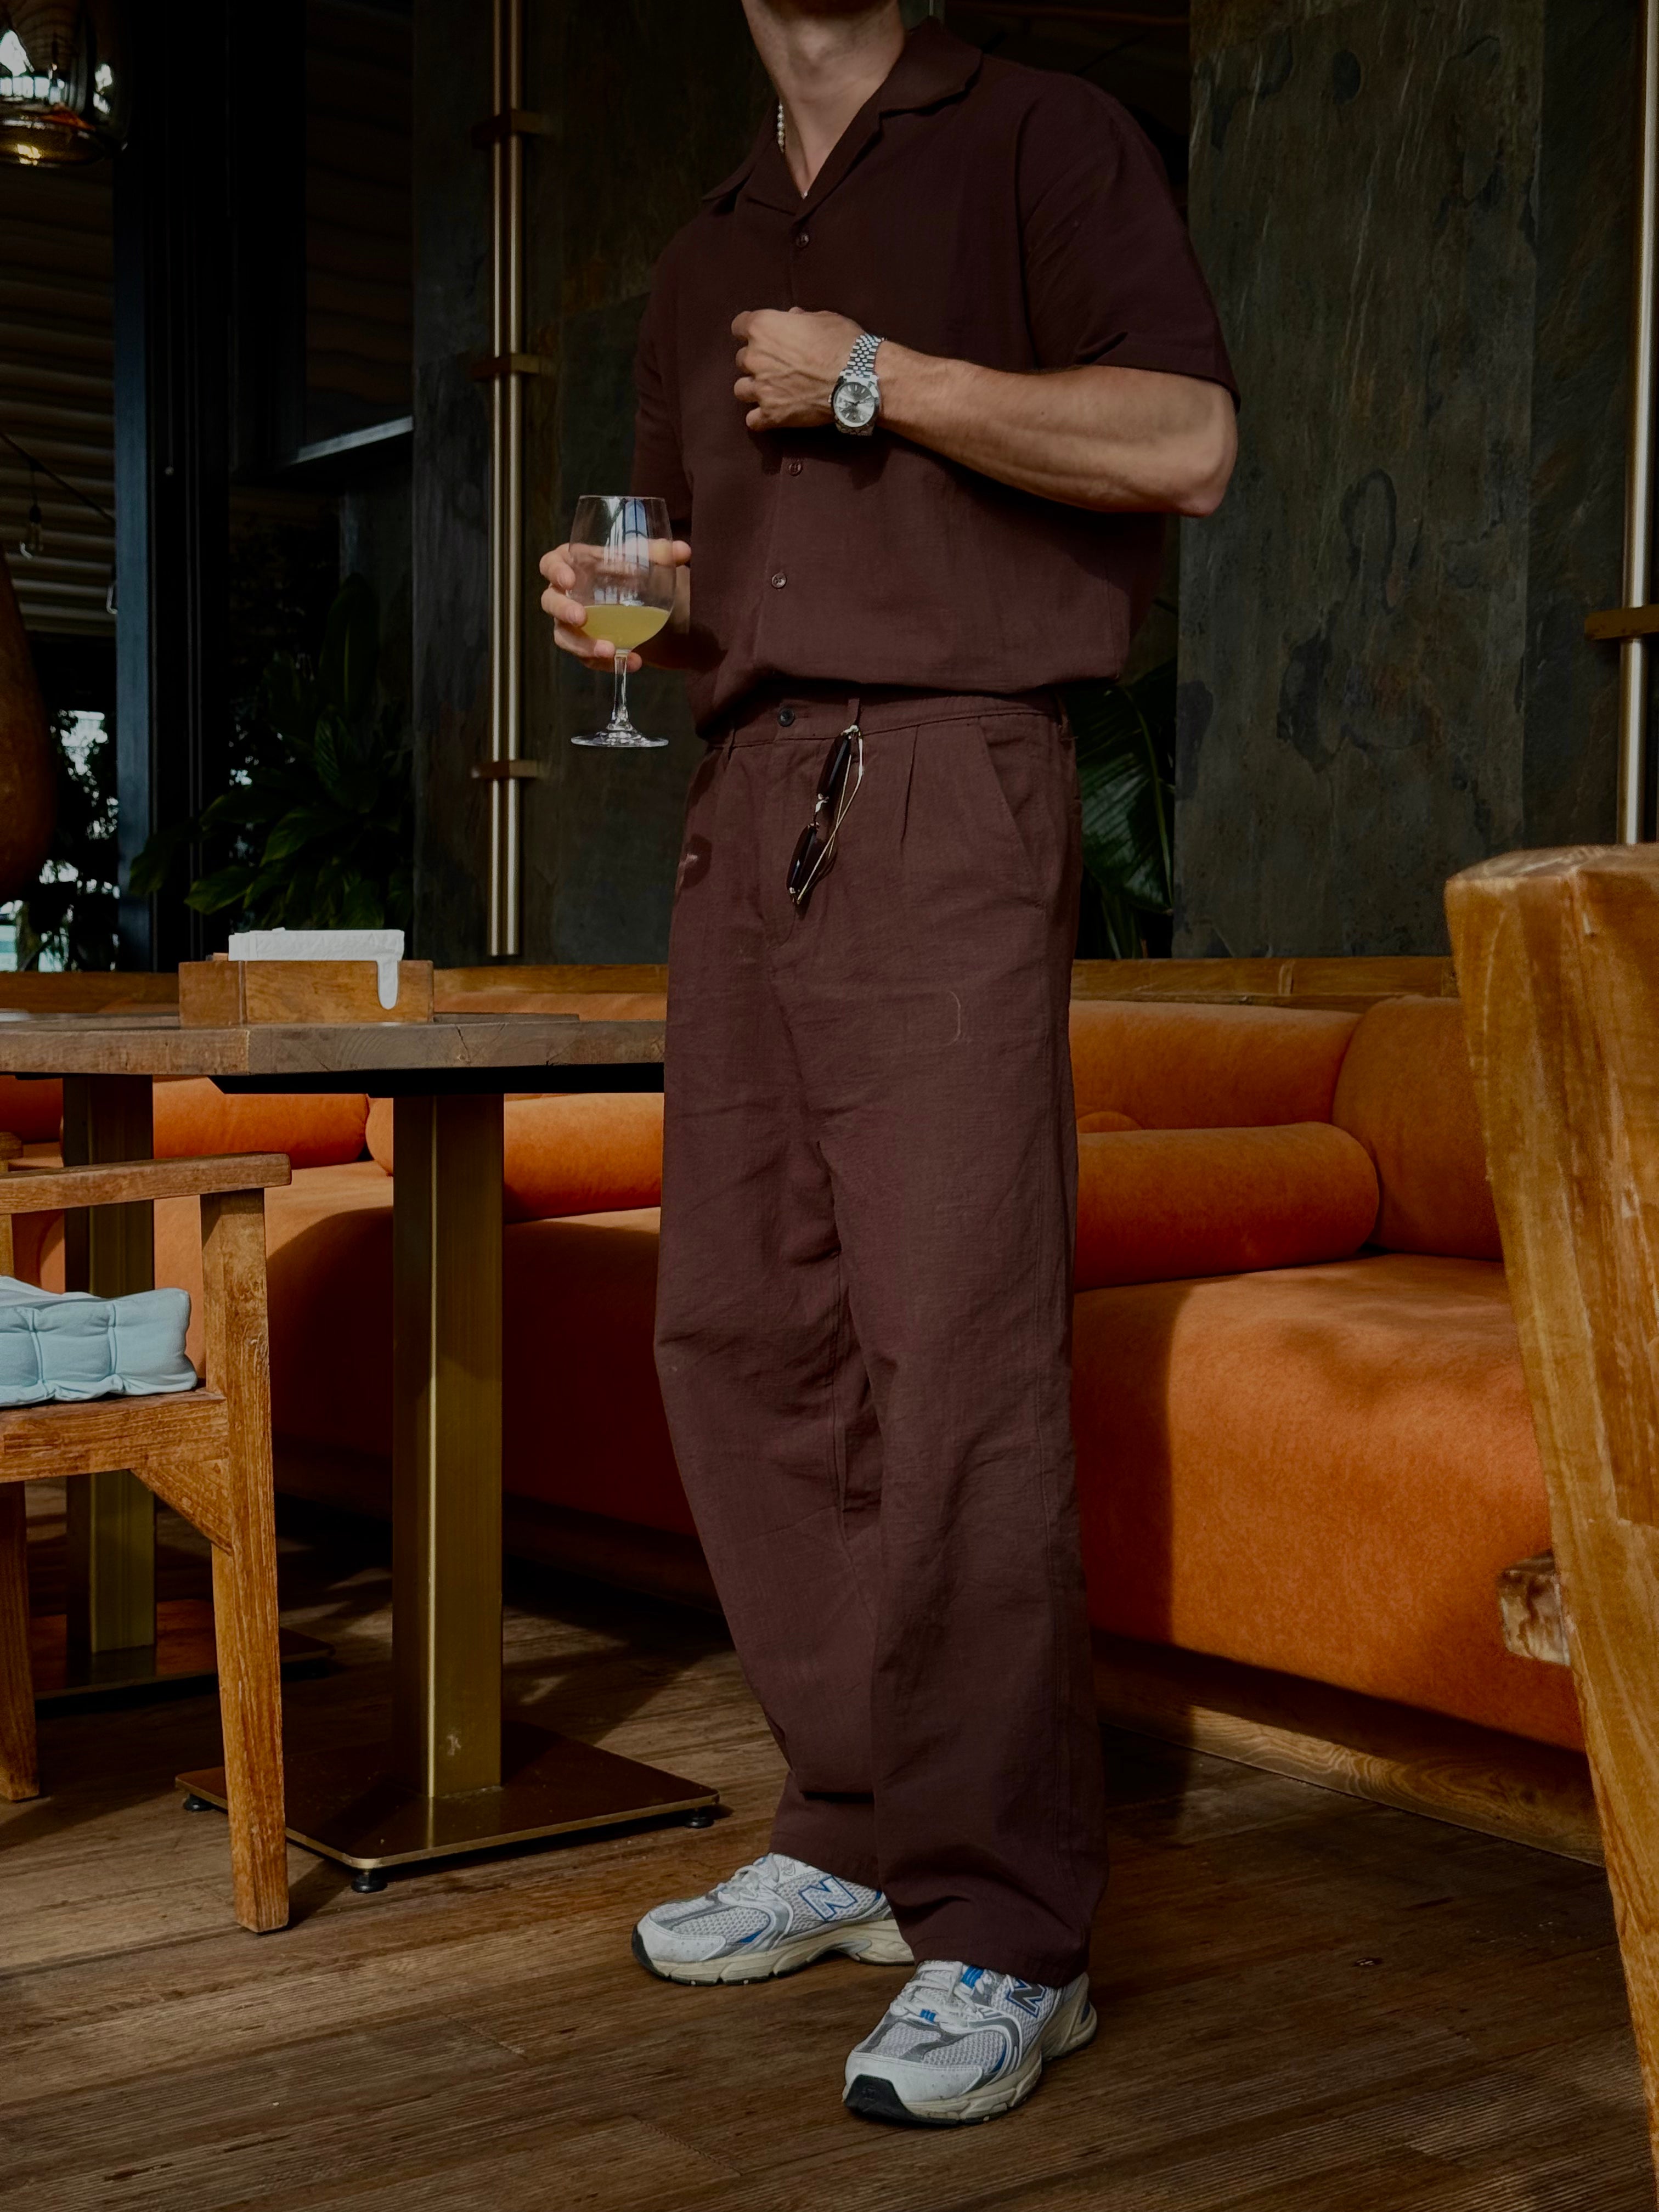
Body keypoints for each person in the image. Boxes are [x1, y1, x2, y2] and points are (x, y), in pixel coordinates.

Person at [539, 0, 1236, 2129]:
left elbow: (1186, 445)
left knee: (957, 1351)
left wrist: (874, 375)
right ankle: (852, 1819)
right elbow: (718, 588)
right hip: (747, 794)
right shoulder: (701, 249)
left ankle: (1012, 1927)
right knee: (746, 1332)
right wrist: (632, 606)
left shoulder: (1042, 139)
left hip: (950, 774)